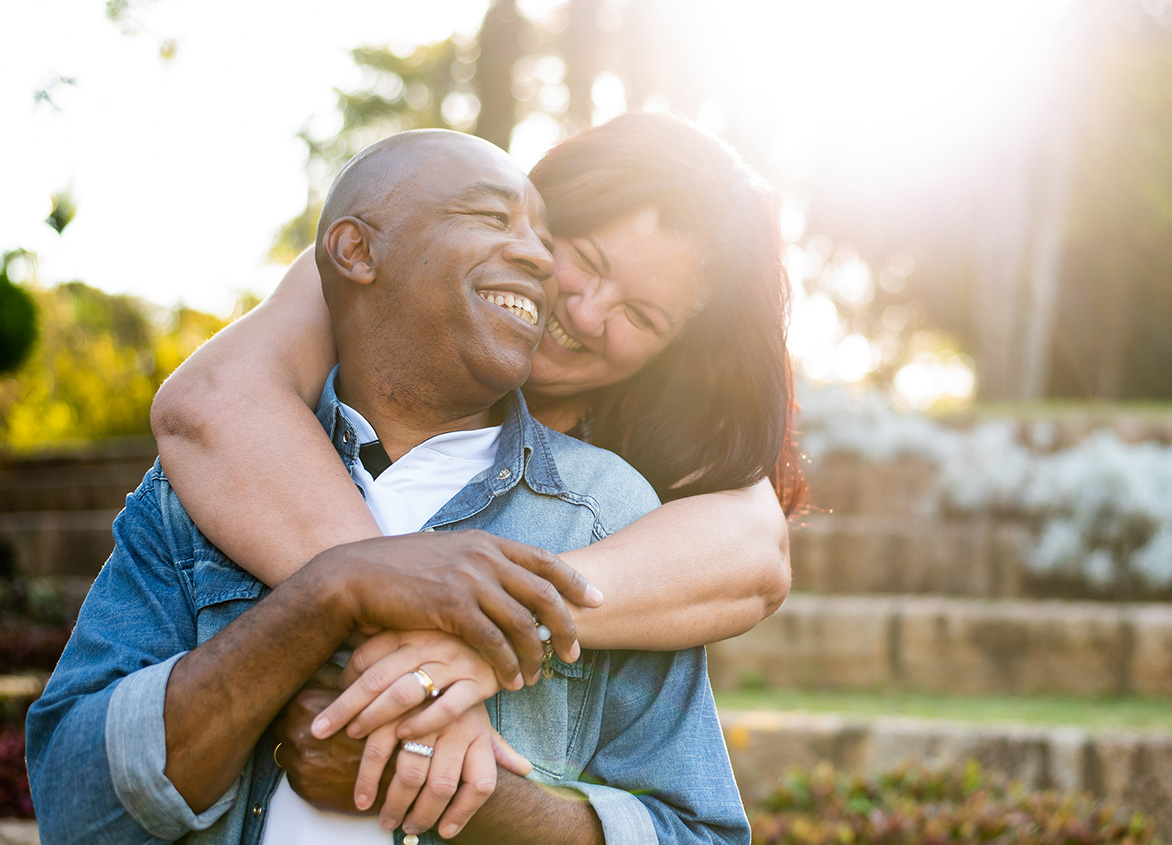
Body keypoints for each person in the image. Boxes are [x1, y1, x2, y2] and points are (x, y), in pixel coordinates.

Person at [27, 130, 750, 845]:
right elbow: (76, 826)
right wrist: (328, 593)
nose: (545, 261)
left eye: (542, 235)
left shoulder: (610, 517)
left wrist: (464, 801)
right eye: (495, 220)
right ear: (355, 252)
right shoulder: (200, 495)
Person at [151, 112, 803, 658]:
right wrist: (403, 602)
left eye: (639, 315)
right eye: (588, 260)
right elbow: (212, 400)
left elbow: (756, 555)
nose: (586, 313)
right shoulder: (392, 259)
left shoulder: (625, 471)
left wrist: (499, 622)